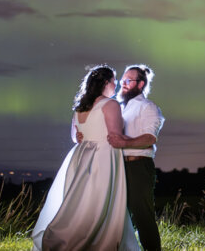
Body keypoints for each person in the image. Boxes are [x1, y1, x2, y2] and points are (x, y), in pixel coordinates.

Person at [31, 65, 139, 251]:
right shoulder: (110, 104)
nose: (117, 85)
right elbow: (115, 137)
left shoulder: (81, 107)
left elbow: (75, 137)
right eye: (114, 81)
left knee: (81, 202)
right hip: (103, 156)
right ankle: (96, 241)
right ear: (105, 83)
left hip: (81, 157)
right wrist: (143, 142)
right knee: (100, 201)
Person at [77, 64, 165, 251]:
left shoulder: (148, 107)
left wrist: (124, 143)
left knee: (142, 216)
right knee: (115, 216)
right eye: (122, 80)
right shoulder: (118, 107)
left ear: (140, 84)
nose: (122, 84)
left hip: (137, 167)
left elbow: (150, 138)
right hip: (116, 167)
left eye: (128, 81)